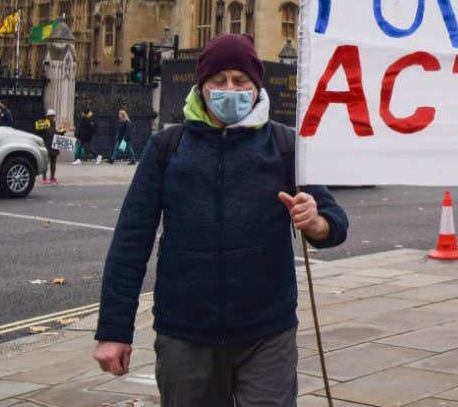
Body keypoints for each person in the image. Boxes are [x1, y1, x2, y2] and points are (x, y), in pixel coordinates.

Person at [93, 33, 349, 406]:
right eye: (219, 81)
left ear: (255, 85)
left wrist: (316, 222)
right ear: (203, 86)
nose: (231, 89)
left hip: (267, 334)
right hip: (186, 335)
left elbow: (335, 223)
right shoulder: (167, 147)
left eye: (241, 81)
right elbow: (131, 239)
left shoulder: (285, 144)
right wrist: (114, 330)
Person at [36, 108, 58, 185]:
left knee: (53, 162)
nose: (52, 117)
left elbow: (58, 133)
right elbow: (39, 132)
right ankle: (44, 178)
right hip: (46, 145)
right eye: (50, 116)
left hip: (54, 145)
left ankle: (52, 178)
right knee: (45, 163)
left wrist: (62, 132)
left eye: (53, 116)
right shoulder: (43, 124)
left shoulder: (55, 124)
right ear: (47, 117)